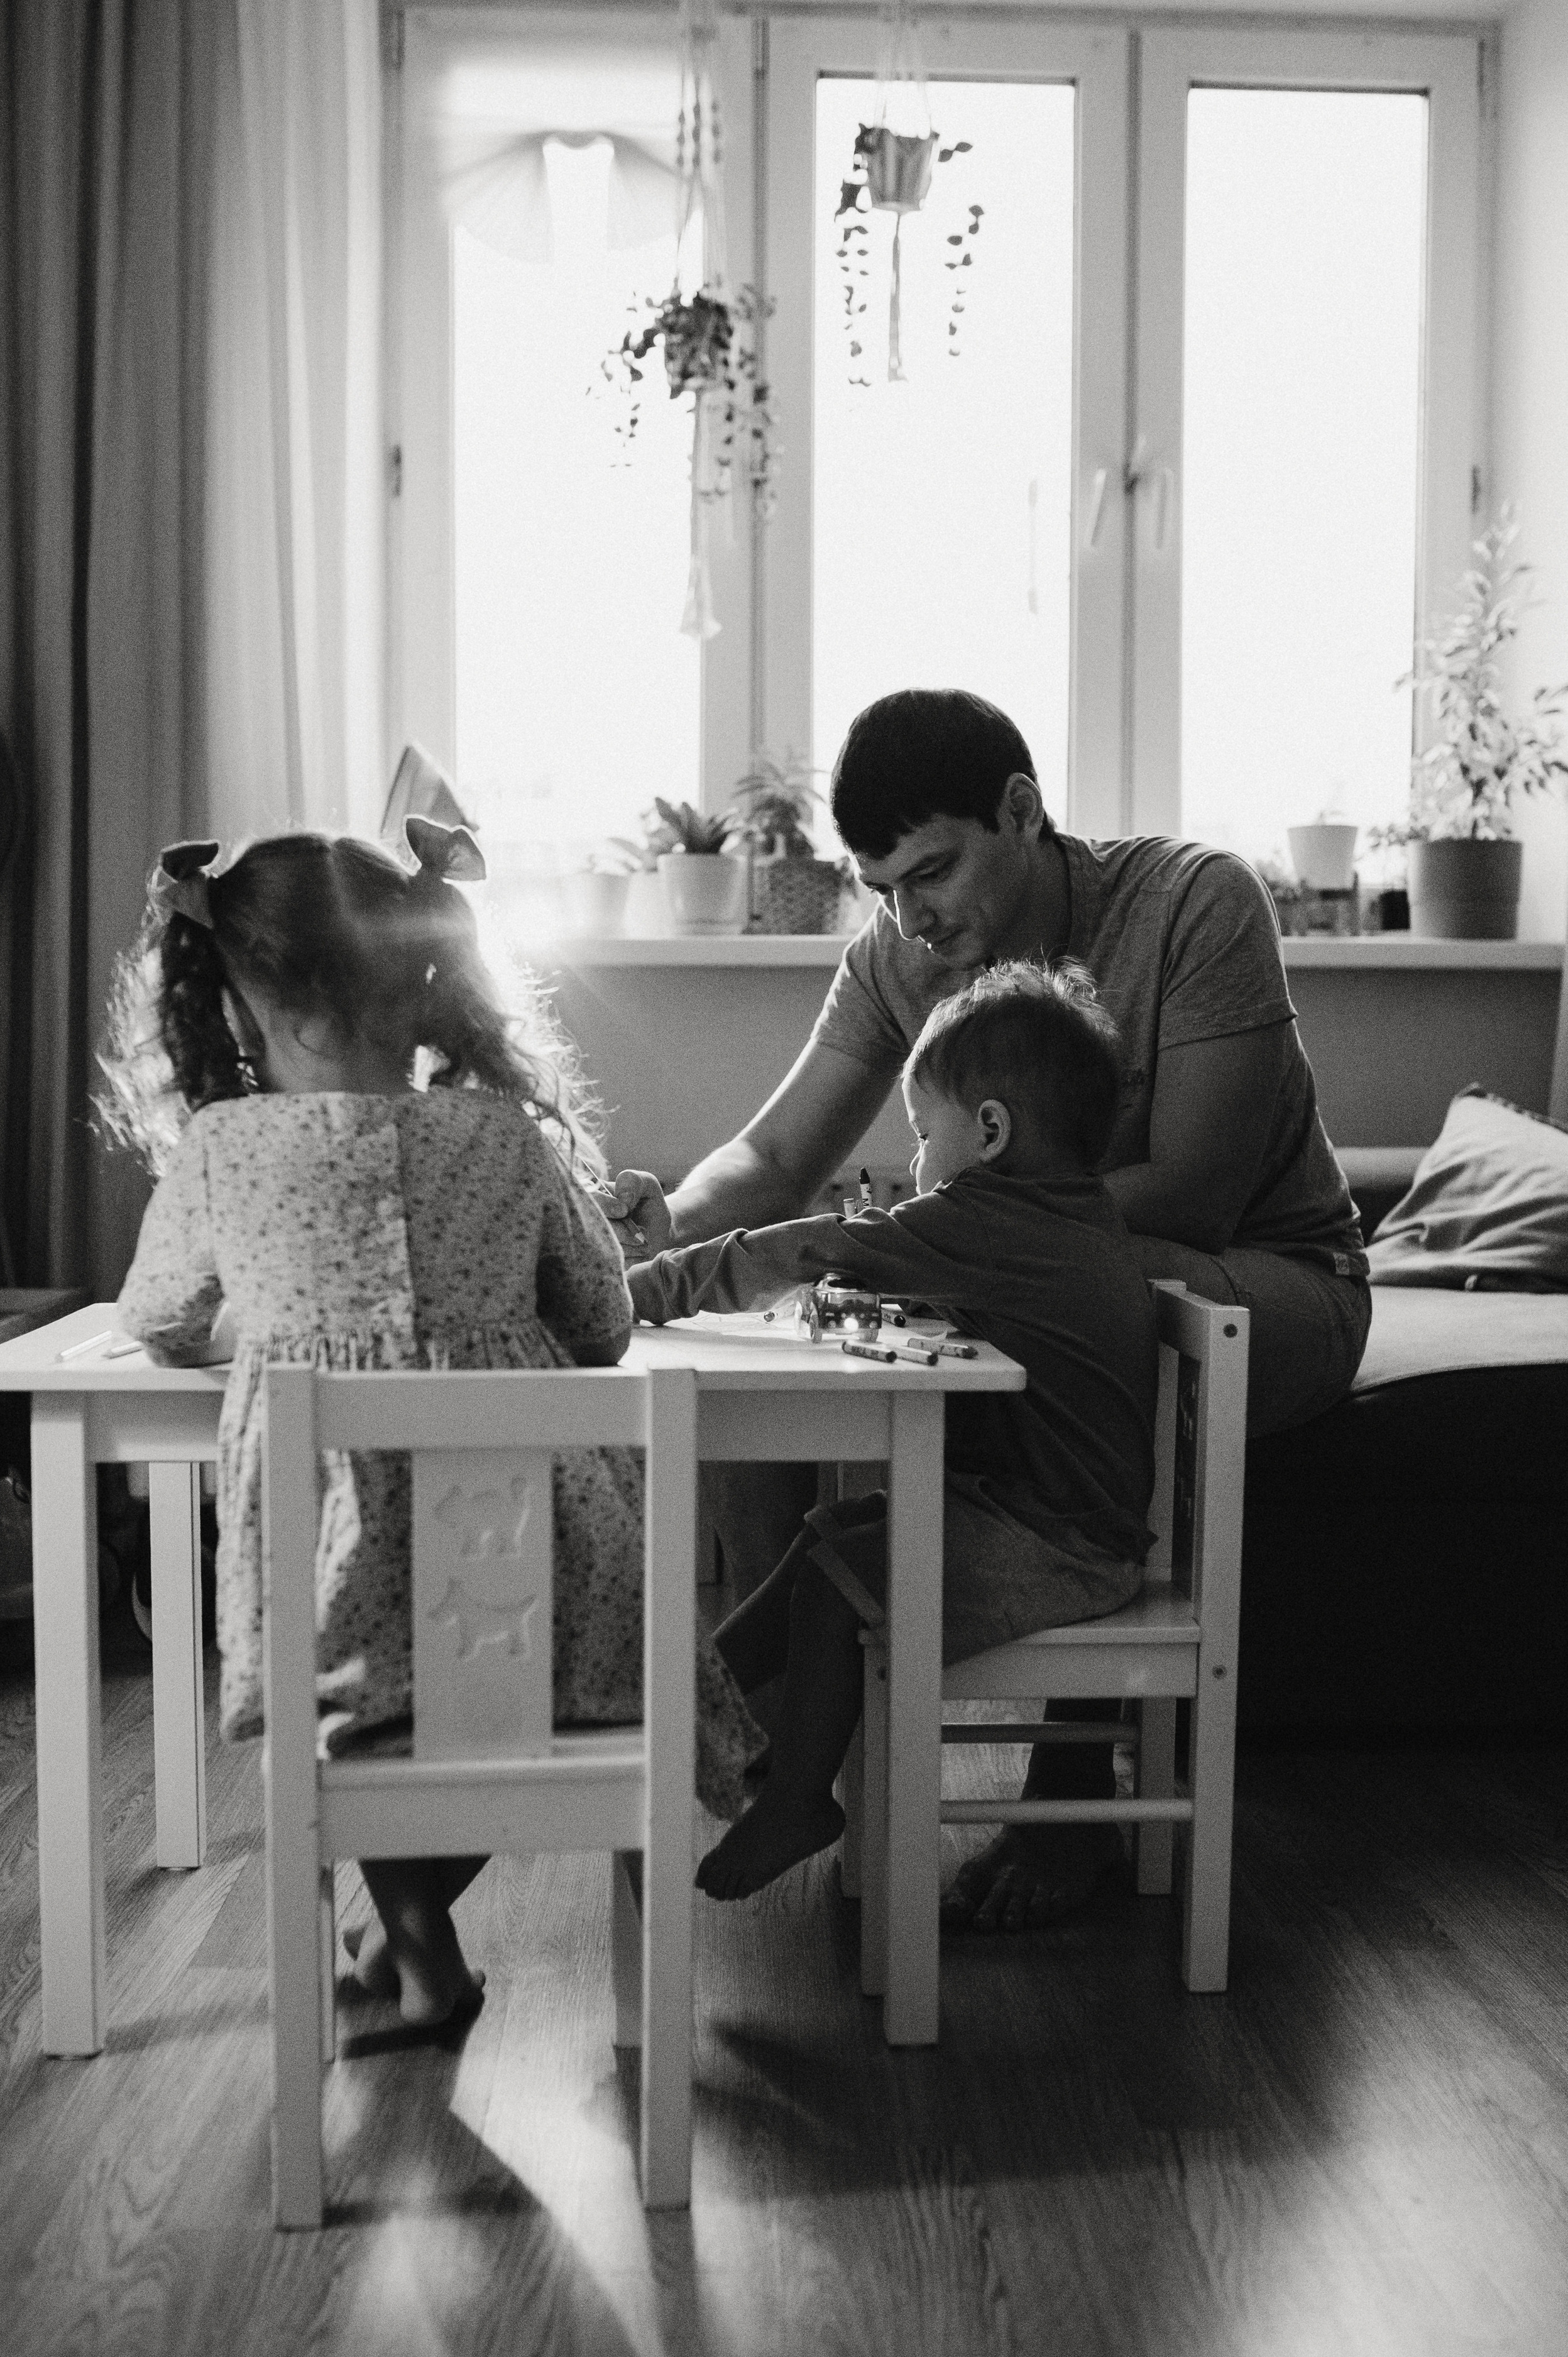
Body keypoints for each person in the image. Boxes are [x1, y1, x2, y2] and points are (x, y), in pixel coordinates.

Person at [606, 688, 1369, 1928]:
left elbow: (1197, 1188)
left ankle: (1061, 1794)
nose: (912, 914)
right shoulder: (897, 957)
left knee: (1109, 1304)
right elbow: (772, 1157)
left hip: (1263, 1283)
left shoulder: (1193, 902)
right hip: (1052, 1276)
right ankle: (762, 1740)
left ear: (1018, 812)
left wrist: (960, 1245)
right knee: (801, 1340)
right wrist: (648, 1242)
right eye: (881, 887)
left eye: (934, 870)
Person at [104, 820, 759, 2026]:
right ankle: (423, 1950)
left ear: (257, 1012)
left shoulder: (220, 1152)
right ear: (423, 983)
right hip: (557, 1593)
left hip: (335, 1609)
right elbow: (607, 1318)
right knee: (498, 1676)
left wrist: (275, 1322)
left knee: (374, 1689)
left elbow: (157, 1319)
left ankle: (417, 1949)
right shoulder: (507, 1139)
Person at [629, 960, 1158, 1898]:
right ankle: (702, 1700)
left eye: (923, 1133)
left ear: (990, 1132)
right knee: (831, 1535)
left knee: (844, 1577)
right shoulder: (1072, 1211)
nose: (916, 1162)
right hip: (1052, 1516)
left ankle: (794, 1793)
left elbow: (797, 1247)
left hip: (1063, 1545)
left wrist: (632, 1290)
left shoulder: (985, 1216)